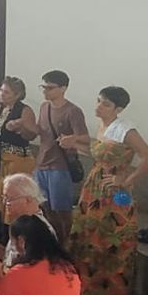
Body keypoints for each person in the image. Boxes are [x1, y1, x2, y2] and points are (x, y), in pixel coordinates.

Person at [62, 86, 148, 295]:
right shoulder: (102, 126)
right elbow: (98, 153)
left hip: (116, 192)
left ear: (118, 109)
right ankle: (88, 286)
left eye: (105, 104)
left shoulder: (126, 129)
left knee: (113, 235)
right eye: (99, 101)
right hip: (95, 187)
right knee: (89, 234)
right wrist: (73, 143)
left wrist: (126, 180)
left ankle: (113, 292)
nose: (99, 107)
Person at [35, 70, 88, 242]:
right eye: (43, 87)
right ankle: (53, 241)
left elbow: (85, 137)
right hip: (41, 163)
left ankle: (67, 244)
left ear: (63, 88)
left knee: (62, 211)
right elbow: (40, 130)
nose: (45, 91)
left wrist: (72, 139)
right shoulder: (44, 107)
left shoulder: (73, 111)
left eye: (50, 88)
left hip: (60, 165)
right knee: (45, 208)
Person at [0, 77, 40, 220]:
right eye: (1, 90)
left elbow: (32, 134)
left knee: (15, 197)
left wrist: (21, 127)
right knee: (2, 198)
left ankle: (17, 227)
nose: (1, 94)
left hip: (18, 159)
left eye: (6, 92)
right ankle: (5, 228)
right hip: (1, 158)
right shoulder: (2, 108)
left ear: (17, 94)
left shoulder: (24, 110)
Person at [0, 173, 53, 267]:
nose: (5, 203)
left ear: (28, 200)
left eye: (9, 199)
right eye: (4, 197)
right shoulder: (21, 223)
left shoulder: (38, 229)